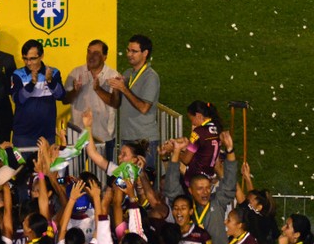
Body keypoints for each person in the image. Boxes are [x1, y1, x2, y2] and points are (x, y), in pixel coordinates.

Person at [106, 35, 159, 171]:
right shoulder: (128, 73)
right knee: (127, 181)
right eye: (128, 50)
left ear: (145, 53)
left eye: (134, 51)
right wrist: (117, 89)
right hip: (127, 136)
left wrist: (124, 88)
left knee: (145, 182)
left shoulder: (151, 77)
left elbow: (144, 108)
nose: (129, 54)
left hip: (144, 140)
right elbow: (117, 104)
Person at [63, 40, 120, 161]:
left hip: (103, 136)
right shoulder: (75, 73)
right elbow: (65, 100)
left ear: (105, 57)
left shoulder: (114, 76)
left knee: (104, 176)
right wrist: (75, 91)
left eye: (96, 53)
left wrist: (98, 89)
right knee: (74, 175)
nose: (91, 56)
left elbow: (115, 103)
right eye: (89, 52)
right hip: (77, 135)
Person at [11, 39, 65, 147]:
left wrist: (50, 81)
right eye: (25, 59)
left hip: (47, 135)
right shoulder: (17, 74)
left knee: (48, 164)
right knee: (21, 165)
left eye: (32, 59)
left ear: (41, 56)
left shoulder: (53, 73)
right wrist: (31, 84)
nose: (28, 63)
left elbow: (61, 96)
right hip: (23, 135)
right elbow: (17, 99)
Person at [162, 101, 223, 186]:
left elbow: (186, 159)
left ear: (198, 116)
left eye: (192, 119)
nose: (192, 123)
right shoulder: (217, 128)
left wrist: (174, 150)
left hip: (195, 179)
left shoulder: (198, 132)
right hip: (209, 178)